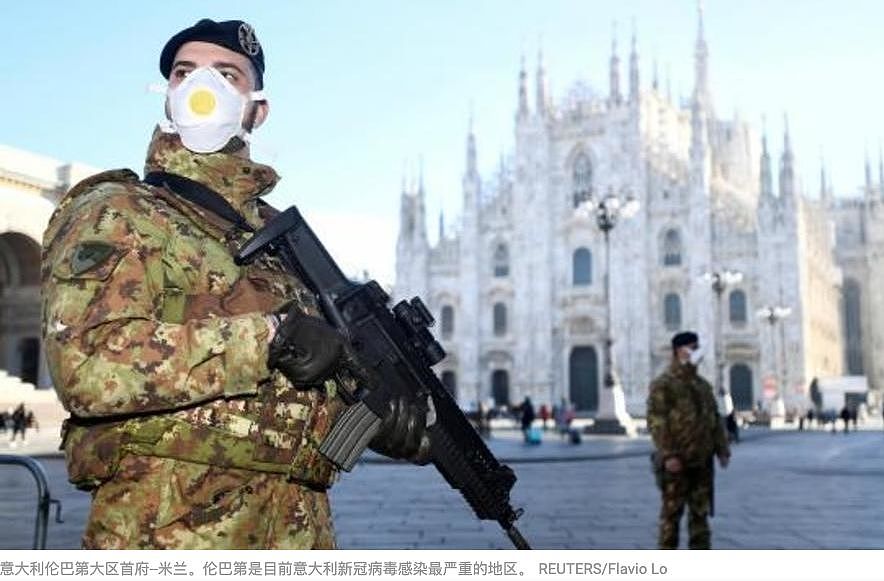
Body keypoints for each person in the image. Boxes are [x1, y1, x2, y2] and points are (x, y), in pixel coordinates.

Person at [41, 19, 428, 549]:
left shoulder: (281, 240)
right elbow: (88, 367)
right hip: (168, 535)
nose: (205, 90)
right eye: (185, 73)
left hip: (297, 535)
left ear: (257, 108)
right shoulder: (117, 211)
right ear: (169, 96)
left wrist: (371, 418)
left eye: (227, 75)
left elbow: (299, 386)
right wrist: (269, 338)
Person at [647, 331, 731, 550]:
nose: (697, 352)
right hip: (677, 462)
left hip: (702, 461)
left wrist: (722, 449)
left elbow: (714, 418)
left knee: (700, 517)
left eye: (697, 347)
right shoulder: (664, 384)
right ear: (679, 350)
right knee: (671, 517)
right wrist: (669, 455)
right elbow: (657, 422)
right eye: (693, 347)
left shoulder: (702, 386)